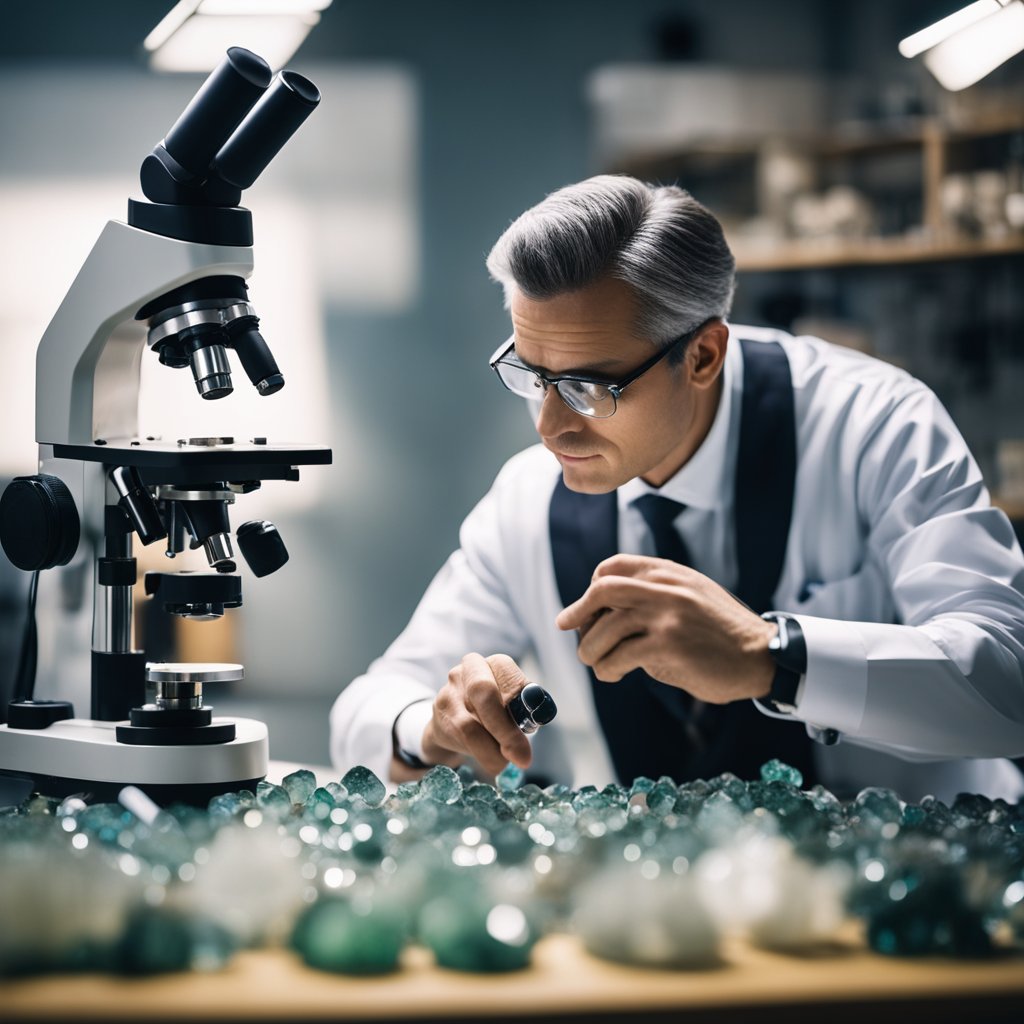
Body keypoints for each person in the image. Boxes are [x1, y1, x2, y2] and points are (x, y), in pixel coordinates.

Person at [330, 175, 1024, 803]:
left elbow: (1007, 681)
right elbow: (367, 709)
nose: (549, 426)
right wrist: (429, 724)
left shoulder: (876, 426)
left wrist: (772, 658)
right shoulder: (529, 498)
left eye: (586, 387)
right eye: (532, 375)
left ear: (702, 355)